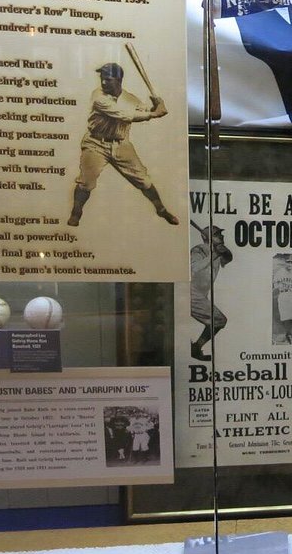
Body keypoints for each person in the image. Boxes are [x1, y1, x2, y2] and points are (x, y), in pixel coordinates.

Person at [67, 62, 179, 227]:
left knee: (144, 181)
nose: (103, 82)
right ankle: (76, 213)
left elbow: (144, 111)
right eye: (102, 78)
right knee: (85, 182)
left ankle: (161, 210)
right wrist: (154, 114)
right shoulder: (98, 96)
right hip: (95, 143)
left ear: (119, 80)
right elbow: (123, 114)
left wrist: (157, 106)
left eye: (108, 79)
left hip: (121, 144)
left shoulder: (131, 99)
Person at [190, 224, 233, 361]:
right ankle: (195, 348)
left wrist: (222, 252)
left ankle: (195, 347)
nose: (221, 236)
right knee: (219, 319)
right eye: (216, 234)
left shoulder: (218, 251)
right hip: (189, 293)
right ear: (205, 237)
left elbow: (229, 258)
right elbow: (194, 269)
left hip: (201, 294)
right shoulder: (198, 249)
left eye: (220, 234)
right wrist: (214, 254)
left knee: (218, 321)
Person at [274, 255, 292, 344]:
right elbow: (275, 284)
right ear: (285, 263)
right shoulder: (279, 272)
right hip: (284, 294)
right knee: (284, 315)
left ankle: (288, 333)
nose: (289, 264)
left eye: (291, 262)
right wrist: (281, 286)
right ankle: (289, 334)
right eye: (288, 262)